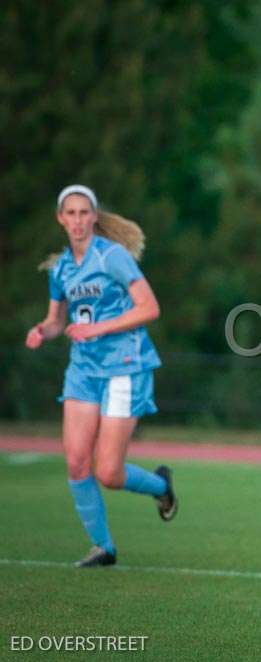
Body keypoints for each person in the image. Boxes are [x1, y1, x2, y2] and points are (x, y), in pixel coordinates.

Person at [24, 185, 177, 568]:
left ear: (94, 217)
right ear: (61, 218)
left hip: (125, 366)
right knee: (76, 463)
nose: (77, 220)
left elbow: (150, 307)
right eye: (70, 213)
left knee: (108, 472)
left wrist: (99, 328)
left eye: (83, 213)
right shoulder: (61, 269)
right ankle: (102, 547)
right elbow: (59, 321)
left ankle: (161, 486)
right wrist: (44, 330)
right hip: (83, 371)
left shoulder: (113, 257)